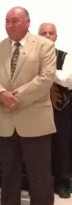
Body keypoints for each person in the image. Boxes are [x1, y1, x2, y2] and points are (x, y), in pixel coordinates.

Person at [0, 6, 56, 205]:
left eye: (15, 20)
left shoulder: (44, 45)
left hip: (35, 120)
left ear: (27, 22)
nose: (10, 24)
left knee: (39, 175)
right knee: (9, 175)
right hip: (5, 121)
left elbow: (46, 78)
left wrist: (16, 97)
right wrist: (0, 94)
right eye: (7, 20)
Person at [38, 22, 72, 198]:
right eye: (43, 33)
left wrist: (48, 74)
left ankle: (62, 183)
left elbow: (68, 80)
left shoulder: (66, 56)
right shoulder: (30, 57)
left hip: (61, 108)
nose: (47, 35)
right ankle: (42, 183)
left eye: (51, 33)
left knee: (61, 145)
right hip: (36, 108)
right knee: (39, 147)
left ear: (56, 37)